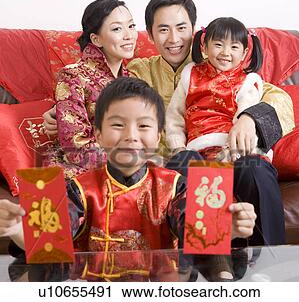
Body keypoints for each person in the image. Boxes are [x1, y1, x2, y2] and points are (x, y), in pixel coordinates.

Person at [43, 0, 293, 245]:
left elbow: (279, 98)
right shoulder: (137, 71)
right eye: (163, 30)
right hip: (171, 163)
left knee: (257, 169)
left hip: (229, 153)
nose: (174, 39)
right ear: (150, 35)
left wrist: (250, 118)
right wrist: (59, 112)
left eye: (181, 28)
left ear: (195, 32)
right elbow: (99, 101)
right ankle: (202, 261)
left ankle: (271, 269)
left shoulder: (221, 61)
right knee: (187, 162)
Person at [0, 77, 256, 282]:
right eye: (118, 125)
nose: (131, 136)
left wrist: (223, 229)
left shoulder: (178, 186)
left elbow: (193, 221)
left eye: (143, 126)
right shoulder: (77, 188)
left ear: (159, 137)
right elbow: (54, 231)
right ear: (98, 135)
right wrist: (20, 231)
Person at [43, 0, 137, 178]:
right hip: (83, 168)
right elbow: (75, 144)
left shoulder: (132, 79)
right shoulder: (72, 76)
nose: (128, 35)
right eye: (117, 28)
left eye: (131, 26)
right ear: (96, 39)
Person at [166, 17, 277, 162]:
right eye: (218, 45)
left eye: (234, 47)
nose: (225, 52)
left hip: (232, 148)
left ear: (244, 53)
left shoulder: (247, 82)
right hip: (197, 148)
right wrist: (178, 147)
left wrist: (232, 150)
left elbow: (245, 119)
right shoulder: (189, 75)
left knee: (249, 166)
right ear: (204, 47)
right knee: (183, 164)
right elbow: (174, 116)